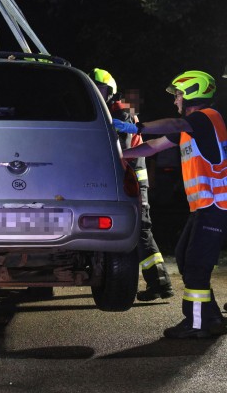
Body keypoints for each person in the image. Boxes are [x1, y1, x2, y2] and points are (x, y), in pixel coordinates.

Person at [113, 70, 227, 339]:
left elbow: (172, 126)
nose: (175, 100)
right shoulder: (191, 127)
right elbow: (152, 147)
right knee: (186, 259)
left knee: (196, 265)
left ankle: (199, 325)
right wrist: (120, 155)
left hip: (216, 208)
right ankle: (209, 317)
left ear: (192, 94)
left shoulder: (206, 118)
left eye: (178, 95)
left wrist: (136, 127)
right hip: (204, 208)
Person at [90, 68, 173, 301]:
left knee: (142, 229)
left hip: (134, 179)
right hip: (124, 179)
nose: (97, 92)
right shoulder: (107, 112)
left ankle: (161, 283)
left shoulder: (121, 112)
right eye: (94, 87)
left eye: (101, 88)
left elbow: (122, 151)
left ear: (111, 92)